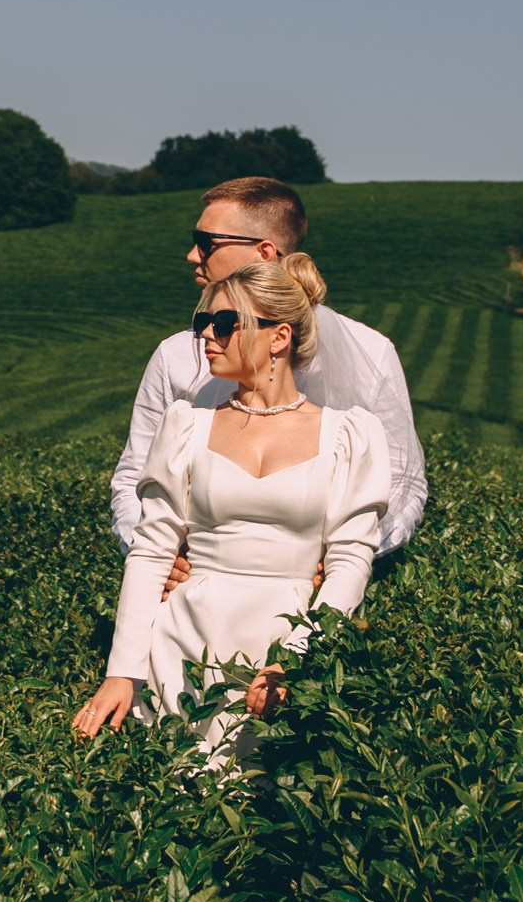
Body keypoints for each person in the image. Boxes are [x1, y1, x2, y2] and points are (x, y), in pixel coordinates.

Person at [76, 259, 390, 763]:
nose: (207, 336)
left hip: (285, 642)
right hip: (182, 641)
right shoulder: (186, 427)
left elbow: (351, 561)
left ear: (279, 336)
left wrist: (296, 661)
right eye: (202, 324)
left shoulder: (348, 435)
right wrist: (121, 673)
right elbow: (151, 552)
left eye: (225, 324)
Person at [110, 172, 425, 560]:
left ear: (264, 251)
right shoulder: (175, 354)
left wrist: (346, 562)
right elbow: (133, 477)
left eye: (206, 243)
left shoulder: (371, 351)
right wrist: (154, 555)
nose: (192, 255)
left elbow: (403, 482)